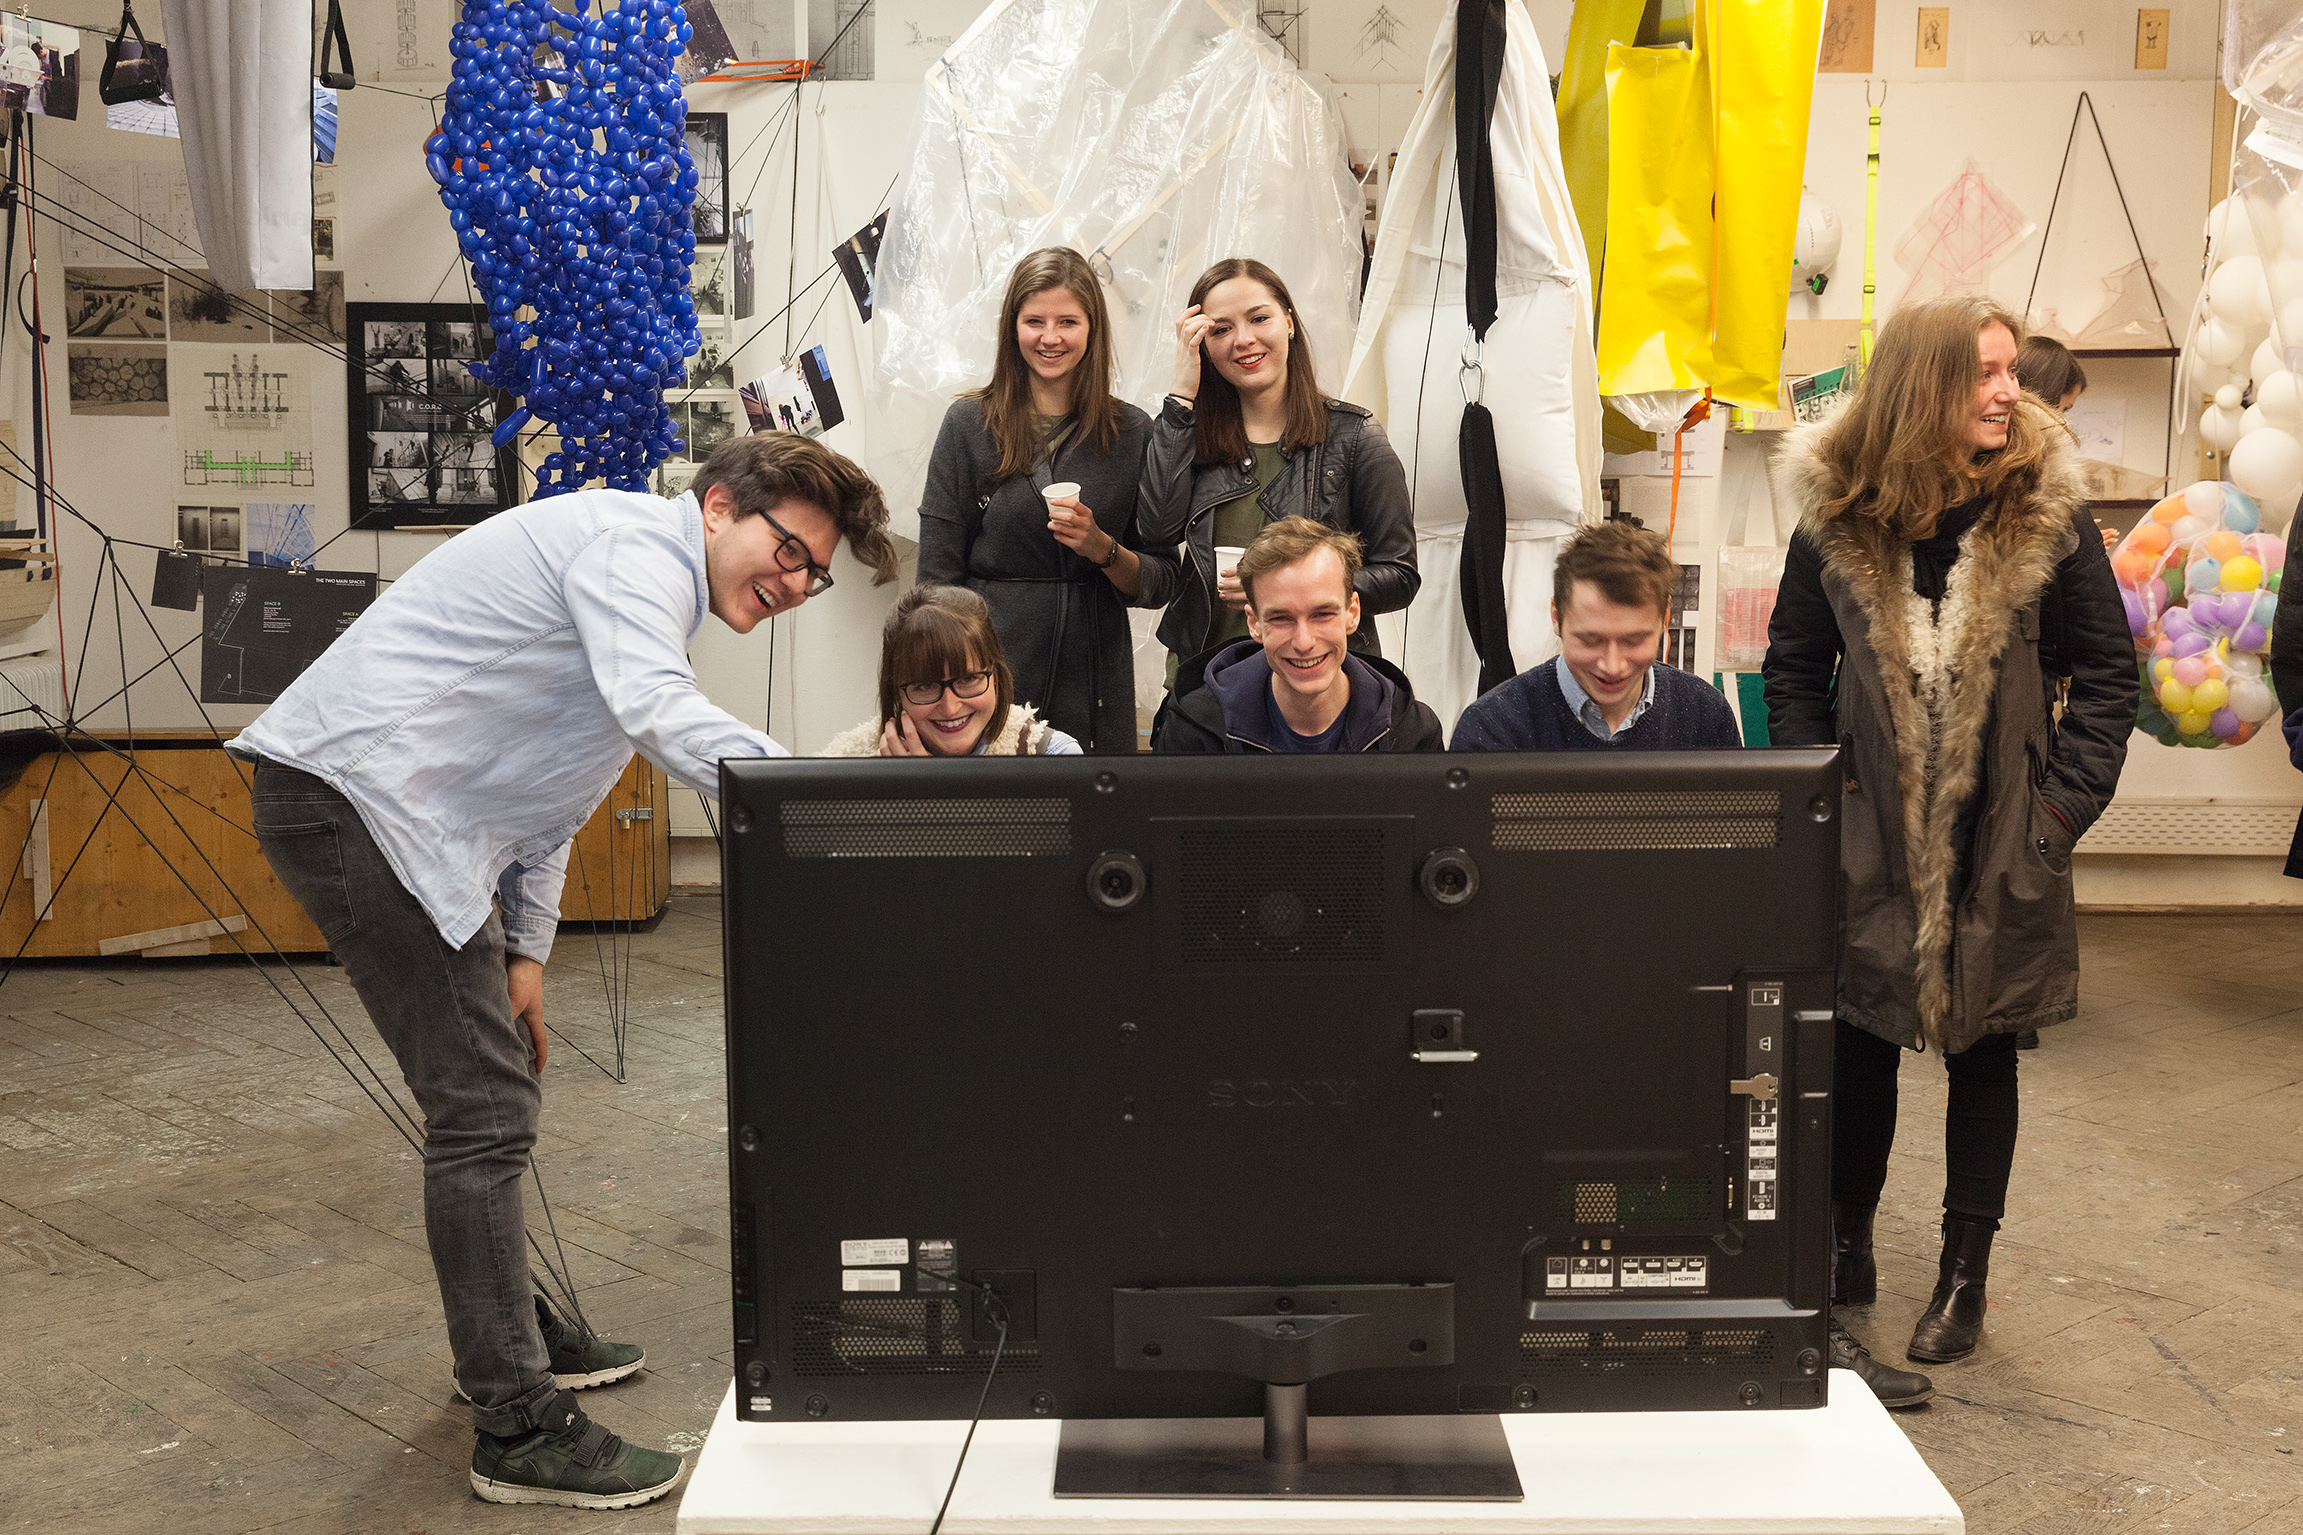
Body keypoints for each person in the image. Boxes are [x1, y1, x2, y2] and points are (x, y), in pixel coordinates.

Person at [230, 433, 899, 1510]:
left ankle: (505, 1329)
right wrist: (819, 798)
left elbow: (554, 791)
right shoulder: (632, 550)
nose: (794, 584)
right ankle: (516, 1421)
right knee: (482, 1109)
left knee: (488, 1092)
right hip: (358, 799)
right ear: (718, 506)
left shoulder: (645, 587)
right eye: (788, 551)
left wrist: (526, 951)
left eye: (813, 574)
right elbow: (653, 710)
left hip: (401, 815)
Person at [1764, 295, 2135, 1407]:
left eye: (2009, 370)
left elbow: (2106, 680)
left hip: (2000, 828)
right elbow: (1791, 669)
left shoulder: (2045, 513)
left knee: (1984, 1048)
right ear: (1922, 384)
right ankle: (1847, 1243)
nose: (2006, 391)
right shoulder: (1837, 512)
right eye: (1984, 371)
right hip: (1868, 827)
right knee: (1859, 1041)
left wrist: (2053, 819)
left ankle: (1962, 1272)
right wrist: (1820, 802)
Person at [917, 248, 1178, 753]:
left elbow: (1161, 579)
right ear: (1012, 328)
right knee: (1000, 796)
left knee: (1092, 801)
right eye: (1034, 321)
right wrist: (951, 689)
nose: (1050, 337)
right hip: (990, 669)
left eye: (1068, 322)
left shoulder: (1132, 432)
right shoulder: (969, 425)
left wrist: (1103, 548)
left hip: (1096, 674)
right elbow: (936, 582)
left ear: (1092, 329)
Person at [1141, 257, 1417, 685]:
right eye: (1221, 329)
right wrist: (1180, 396)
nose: (1243, 340)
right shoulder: (1188, 433)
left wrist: (1288, 590)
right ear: (1202, 345)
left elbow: (1400, 576)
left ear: (1288, 321)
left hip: (1317, 683)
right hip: (1205, 684)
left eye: (1259, 318)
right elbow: (1156, 530)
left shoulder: (1354, 436)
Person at [1153, 516, 1442, 753]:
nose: (1304, 642)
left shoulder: (1411, 732)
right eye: (1281, 619)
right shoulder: (1195, 732)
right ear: (1254, 623)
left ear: (1352, 613)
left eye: (1322, 614)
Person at [1451, 520, 1741, 750]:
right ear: (1556, 617)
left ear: (1664, 618)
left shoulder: (1706, 715)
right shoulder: (1492, 727)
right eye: (1590, 641)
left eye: (1634, 641)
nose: (1612, 667)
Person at [820, 585, 1082, 756]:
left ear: (996, 676)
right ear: (896, 691)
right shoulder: (845, 765)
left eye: (968, 679)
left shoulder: (1053, 756)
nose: (950, 708)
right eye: (925, 686)